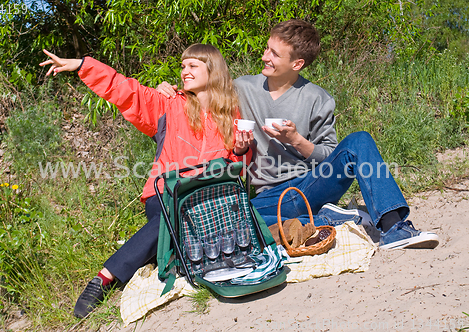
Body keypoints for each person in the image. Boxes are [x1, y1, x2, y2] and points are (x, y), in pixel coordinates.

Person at [156, 19, 439, 251]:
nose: (265, 57)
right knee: (233, 220)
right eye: (267, 49)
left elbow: (331, 153)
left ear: (297, 64)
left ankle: (394, 228)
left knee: (360, 140)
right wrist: (168, 90)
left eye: (274, 54)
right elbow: (208, 88)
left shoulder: (317, 98)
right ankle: (332, 218)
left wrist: (296, 141)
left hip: (310, 183)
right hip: (269, 195)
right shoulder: (241, 89)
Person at [40, 44, 254, 318]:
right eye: (182, 66)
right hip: (165, 195)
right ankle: (105, 278)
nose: (184, 72)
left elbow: (237, 173)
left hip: (209, 202)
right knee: (175, 214)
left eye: (192, 66)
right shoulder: (169, 104)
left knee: (191, 224)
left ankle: (167, 250)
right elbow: (125, 90)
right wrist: (83, 65)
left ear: (212, 71)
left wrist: (239, 152)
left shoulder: (231, 116)